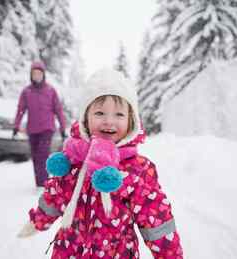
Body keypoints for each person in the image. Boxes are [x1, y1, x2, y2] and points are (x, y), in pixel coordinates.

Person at [17, 69, 183, 258]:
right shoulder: (74, 161)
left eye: (119, 115)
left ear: (131, 121)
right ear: (86, 119)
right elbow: (55, 197)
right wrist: (38, 220)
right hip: (69, 251)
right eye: (100, 113)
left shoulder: (138, 170)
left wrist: (170, 254)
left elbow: (156, 220)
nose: (108, 121)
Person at [13, 61, 66, 188]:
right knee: (35, 157)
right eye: (34, 73)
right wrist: (16, 126)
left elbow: (58, 110)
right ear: (31, 75)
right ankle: (39, 183)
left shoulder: (50, 90)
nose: (37, 76)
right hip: (32, 129)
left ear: (43, 75)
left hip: (47, 129)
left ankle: (43, 184)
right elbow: (21, 109)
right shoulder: (27, 92)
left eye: (39, 73)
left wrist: (63, 127)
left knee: (43, 155)